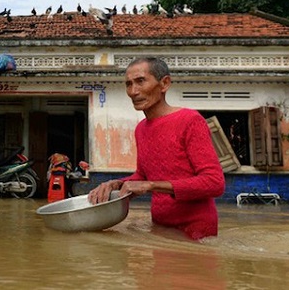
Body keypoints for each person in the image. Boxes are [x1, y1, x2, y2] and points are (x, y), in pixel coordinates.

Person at [88, 57, 225, 240]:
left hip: (196, 231)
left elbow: (214, 183)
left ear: (164, 83)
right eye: (128, 84)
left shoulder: (190, 121)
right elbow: (143, 177)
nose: (133, 91)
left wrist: (153, 185)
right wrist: (116, 184)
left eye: (140, 81)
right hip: (160, 227)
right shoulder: (141, 129)